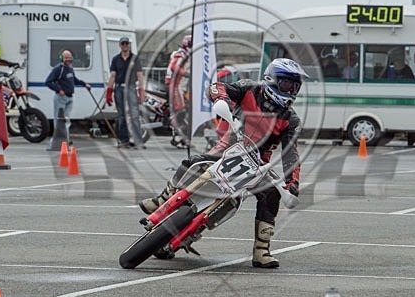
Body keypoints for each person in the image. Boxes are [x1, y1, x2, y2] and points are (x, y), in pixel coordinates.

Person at [139, 58, 307, 269]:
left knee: (271, 194)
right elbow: (217, 87)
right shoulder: (248, 88)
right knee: (193, 162)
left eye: (295, 86)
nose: (291, 90)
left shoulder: (291, 120)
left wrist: (292, 184)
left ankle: (261, 250)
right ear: (271, 80)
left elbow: (291, 153)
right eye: (287, 84)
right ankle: (163, 198)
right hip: (227, 150)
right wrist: (222, 100)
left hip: (257, 166)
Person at [105, 36, 146, 148]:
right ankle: (124, 140)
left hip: (131, 87)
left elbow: (140, 75)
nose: (125, 45)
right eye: (123, 44)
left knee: (134, 114)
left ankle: (138, 141)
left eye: (126, 43)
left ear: (129, 45)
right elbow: (113, 75)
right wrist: (109, 91)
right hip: (119, 88)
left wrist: (141, 90)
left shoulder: (134, 59)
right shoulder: (115, 59)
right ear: (120, 45)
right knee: (121, 116)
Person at [45, 49, 91, 140]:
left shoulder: (70, 68)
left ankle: (66, 139)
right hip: (61, 98)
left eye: (69, 58)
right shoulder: (58, 69)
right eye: (66, 58)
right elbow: (48, 82)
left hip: (70, 98)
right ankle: (58, 139)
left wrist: (84, 84)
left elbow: (74, 80)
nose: (68, 60)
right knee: (59, 119)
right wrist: (59, 90)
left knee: (67, 119)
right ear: (61, 58)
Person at [165, 34, 192, 148]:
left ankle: (180, 137)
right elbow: (173, 67)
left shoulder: (187, 55)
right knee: (180, 112)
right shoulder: (180, 54)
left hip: (182, 87)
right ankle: (178, 137)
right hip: (176, 86)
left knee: (185, 112)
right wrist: (186, 74)